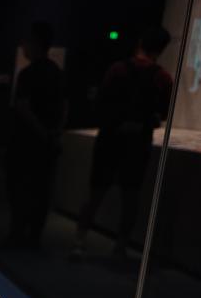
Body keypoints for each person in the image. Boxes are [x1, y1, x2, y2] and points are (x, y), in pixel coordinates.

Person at [72, 26, 173, 260]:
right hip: (137, 143)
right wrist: (142, 124)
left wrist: (116, 122)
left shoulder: (117, 69)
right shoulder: (162, 77)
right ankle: (120, 247)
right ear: (161, 49)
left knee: (95, 193)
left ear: (140, 42)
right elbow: (162, 114)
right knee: (131, 197)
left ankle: (79, 242)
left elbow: (101, 103)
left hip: (110, 139)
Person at [5, 21, 66, 249]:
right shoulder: (56, 72)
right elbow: (64, 106)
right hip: (45, 143)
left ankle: (18, 235)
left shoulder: (28, 74)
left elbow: (23, 107)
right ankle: (33, 237)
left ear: (35, 43)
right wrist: (54, 134)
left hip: (26, 144)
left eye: (27, 41)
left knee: (20, 189)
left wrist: (41, 132)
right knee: (41, 190)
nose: (23, 46)